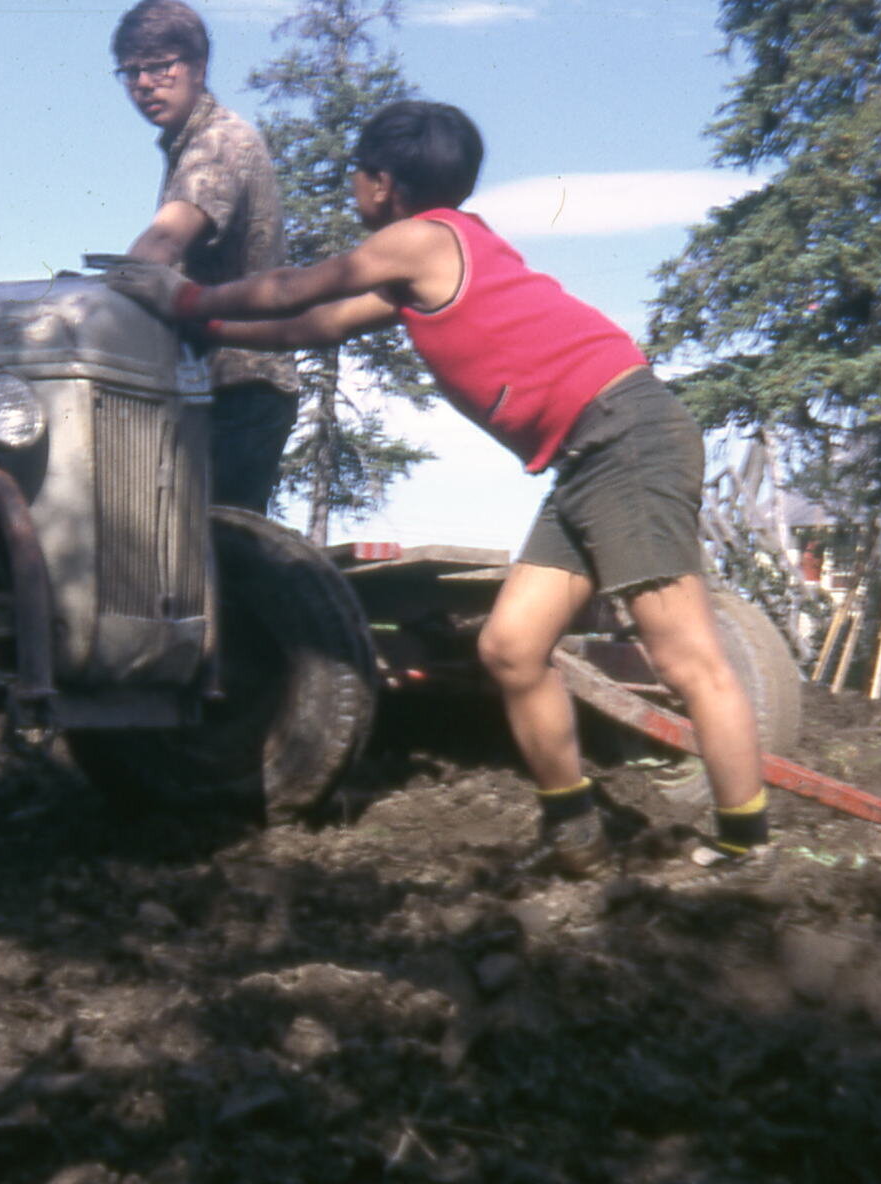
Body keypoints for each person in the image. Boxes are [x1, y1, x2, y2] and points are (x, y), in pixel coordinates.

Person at [103, 100, 770, 872]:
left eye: (356, 173)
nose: (352, 185)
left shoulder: (420, 239)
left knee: (686, 659)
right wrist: (207, 330)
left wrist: (181, 297)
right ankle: (574, 833)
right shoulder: (437, 254)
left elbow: (296, 290)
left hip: (627, 437)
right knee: (512, 648)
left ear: (383, 184)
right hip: (589, 454)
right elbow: (314, 327)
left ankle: (747, 852)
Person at [109, 0, 300, 514]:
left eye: (160, 65)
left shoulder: (217, 143)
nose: (144, 83)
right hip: (214, 386)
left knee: (213, 557)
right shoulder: (189, 142)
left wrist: (95, 301)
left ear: (199, 66)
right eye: (130, 71)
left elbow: (165, 242)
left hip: (242, 387)